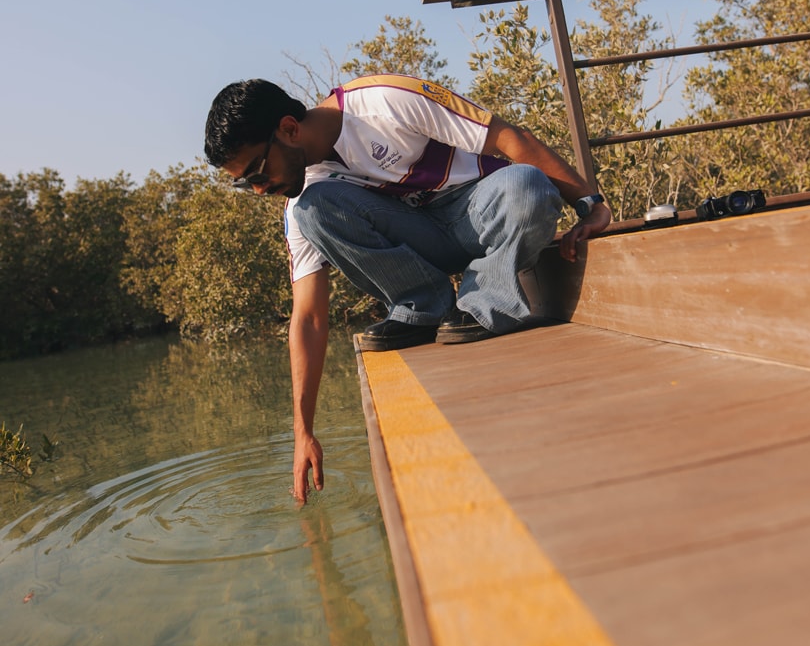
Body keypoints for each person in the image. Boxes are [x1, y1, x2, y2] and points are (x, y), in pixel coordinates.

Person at [204, 74, 611, 503]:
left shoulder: (384, 101)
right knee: (312, 210)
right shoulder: (308, 193)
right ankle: (423, 307)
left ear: (289, 129)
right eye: (243, 183)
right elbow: (308, 316)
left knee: (527, 184)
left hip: (479, 213)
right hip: (423, 241)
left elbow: (507, 136)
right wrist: (303, 431)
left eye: (256, 171)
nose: (257, 188)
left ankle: (485, 301)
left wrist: (590, 204)